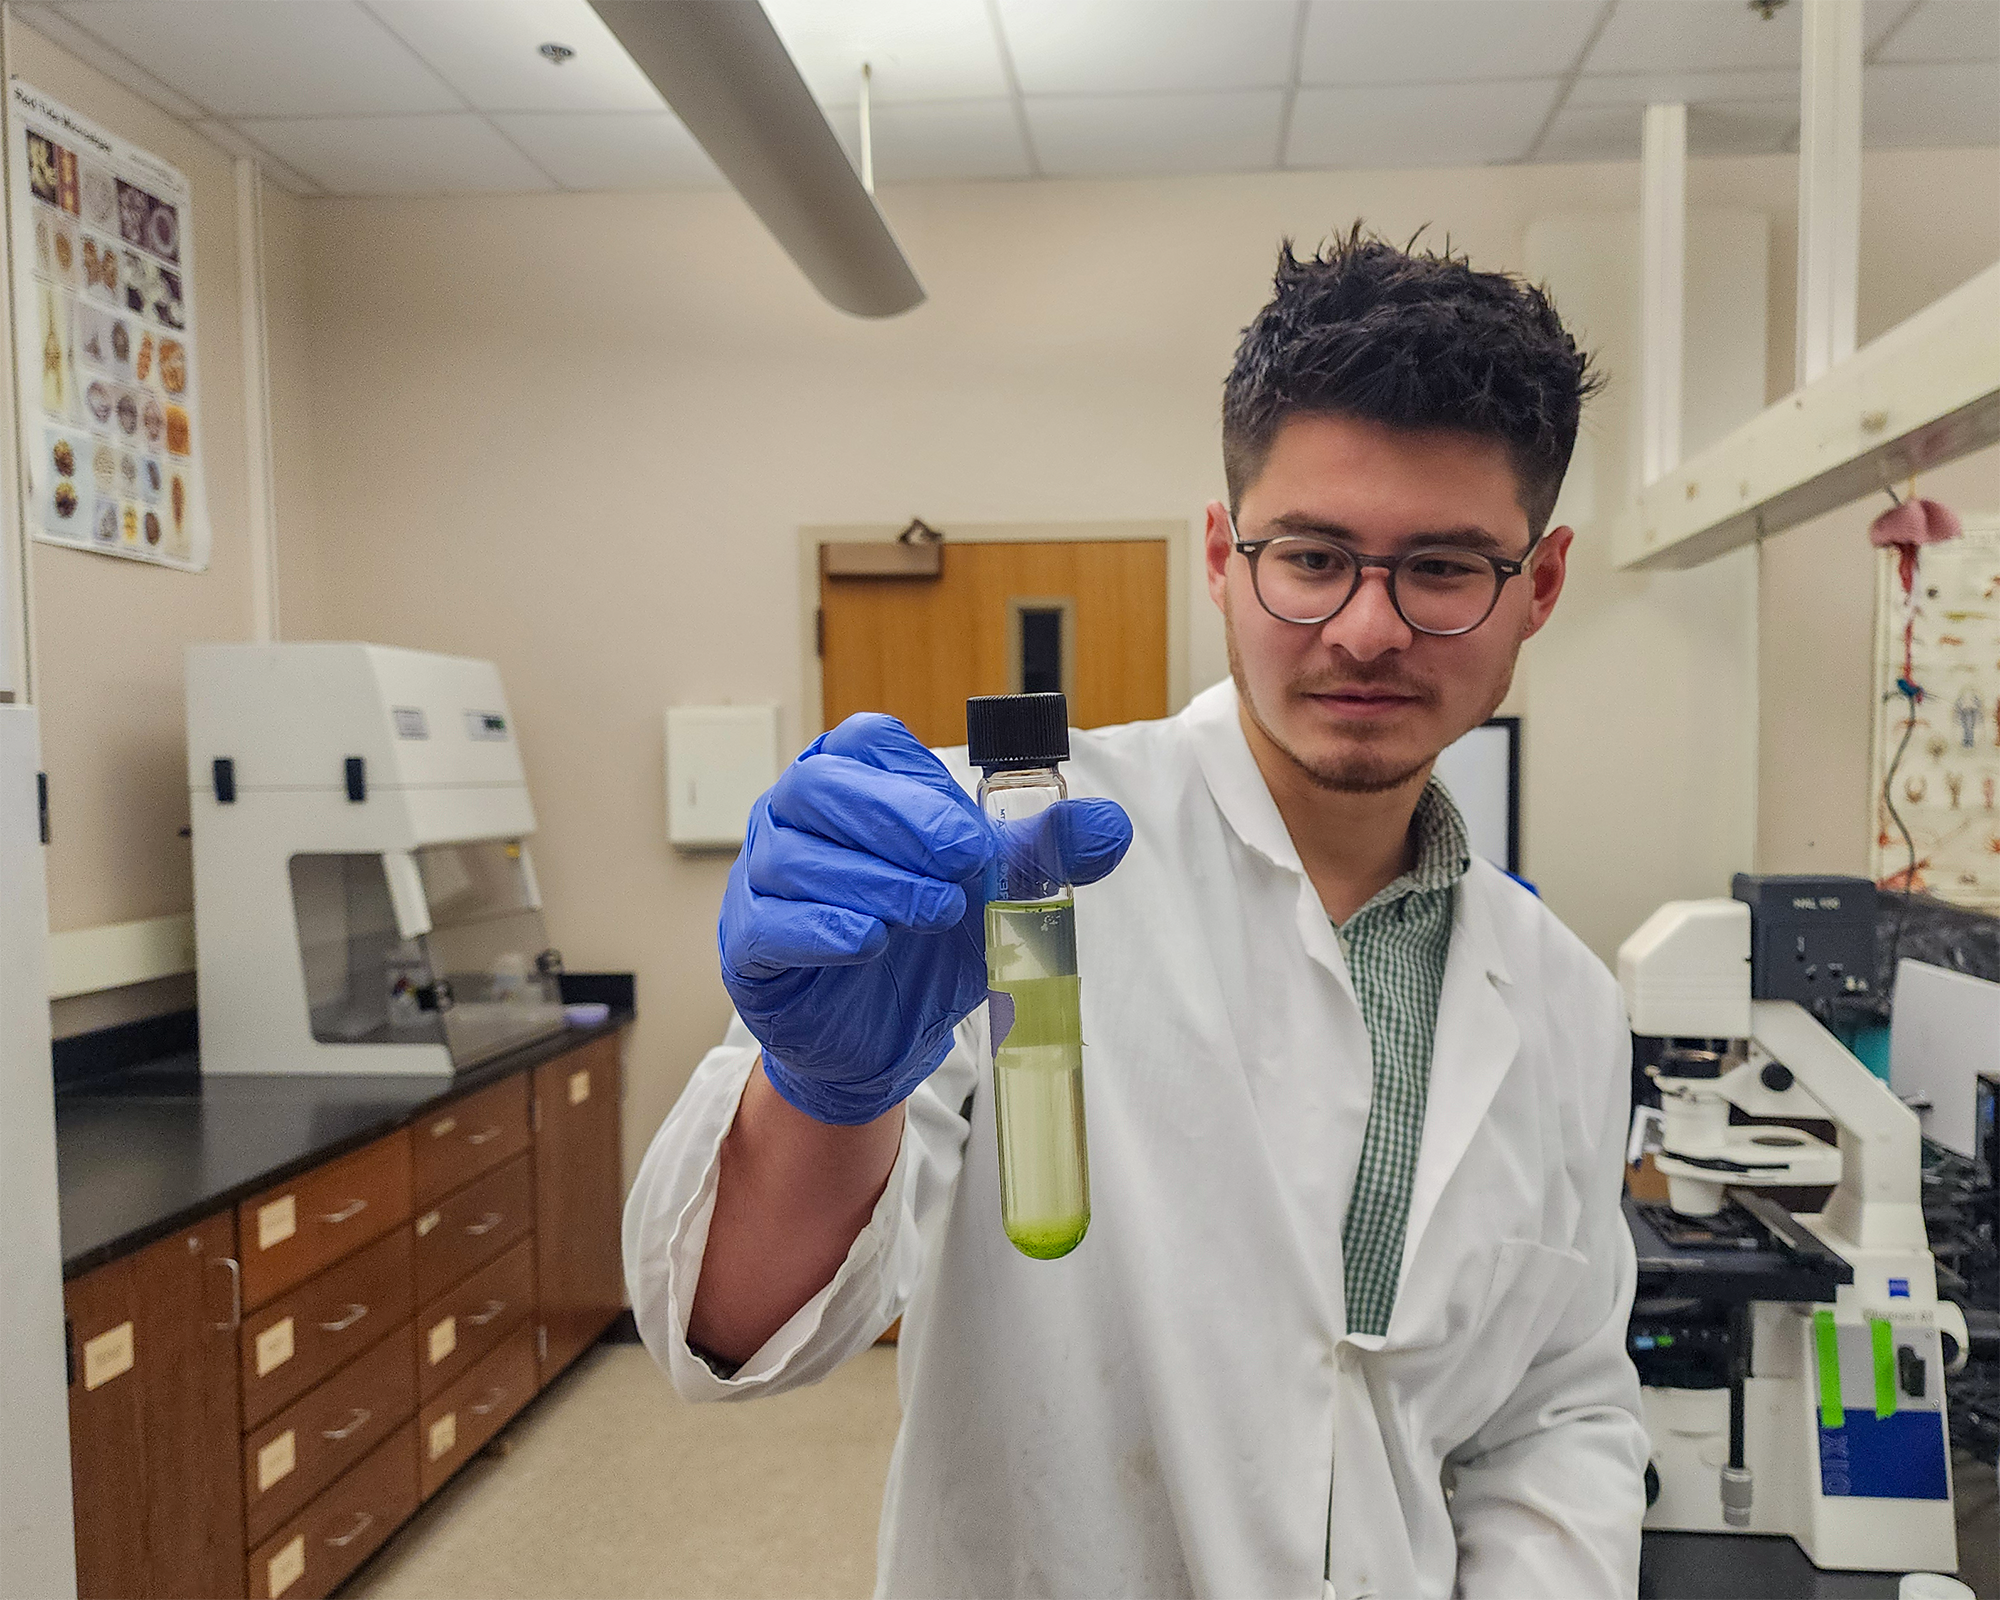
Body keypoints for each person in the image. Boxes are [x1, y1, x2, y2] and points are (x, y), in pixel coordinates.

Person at [625, 226, 1647, 1599]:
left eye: (1448, 568)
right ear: (1224, 555)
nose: (1367, 628)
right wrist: (822, 1088)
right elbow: (731, 1328)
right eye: (1314, 555)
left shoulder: (1567, 1001)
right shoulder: (1012, 861)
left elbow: (1560, 1406)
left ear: (1544, 586)